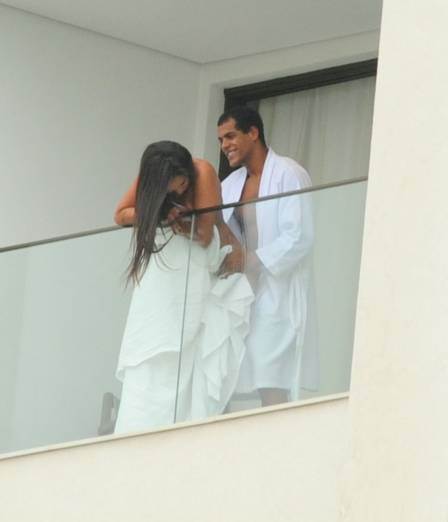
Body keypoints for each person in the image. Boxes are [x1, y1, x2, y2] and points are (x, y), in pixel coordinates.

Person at [113, 141, 253, 433]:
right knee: (150, 352)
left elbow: (204, 233)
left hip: (194, 265)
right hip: (160, 275)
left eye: (182, 183)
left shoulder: (202, 172)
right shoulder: (152, 177)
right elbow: (121, 214)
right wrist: (159, 214)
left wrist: (179, 221)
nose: (181, 189)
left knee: (186, 351)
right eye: (174, 186)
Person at [217, 106, 318, 406]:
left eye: (230, 136)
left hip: (276, 291)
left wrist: (250, 260)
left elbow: (299, 236)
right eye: (220, 140)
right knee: (227, 379)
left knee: (271, 380)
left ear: (253, 132)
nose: (224, 146)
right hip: (237, 294)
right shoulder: (229, 185)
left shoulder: (289, 173)